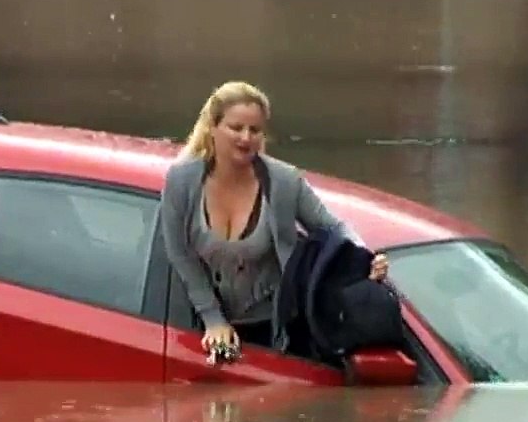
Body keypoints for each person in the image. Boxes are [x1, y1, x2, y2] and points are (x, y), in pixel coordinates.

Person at [156, 80, 389, 356]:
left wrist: (366, 257)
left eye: (255, 130)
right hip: (195, 323)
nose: (246, 138)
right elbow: (179, 252)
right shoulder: (181, 180)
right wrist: (213, 318)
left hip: (273, 327)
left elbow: (332, 227)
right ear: (213, 128)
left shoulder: (284, 182)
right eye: (236, 128)